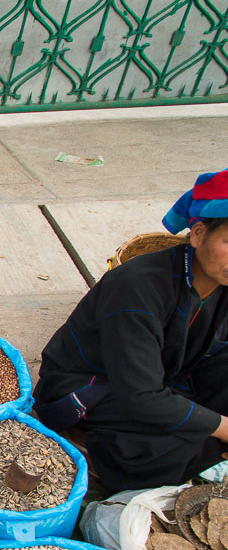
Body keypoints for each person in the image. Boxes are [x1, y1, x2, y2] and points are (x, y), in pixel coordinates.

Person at [33, 169, 228, 493]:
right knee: (157, 453)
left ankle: (205, 446)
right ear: (197, 234)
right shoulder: (138, 286)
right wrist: (222, 427)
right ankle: (97, 451)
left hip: (162, 378)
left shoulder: (220, 281)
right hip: (92, 388)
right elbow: (142, 396)